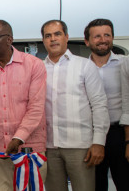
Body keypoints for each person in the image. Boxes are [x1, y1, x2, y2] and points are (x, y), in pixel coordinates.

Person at [0, 20, 47, 191]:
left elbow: (36, 107)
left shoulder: (34, 65)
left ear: (9, 40)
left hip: (29, 150)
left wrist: (18, 138)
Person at [41, 20, 109, 191]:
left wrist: (99, 142)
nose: (53, 39)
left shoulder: (84, 65)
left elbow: (99, 105)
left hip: (80, 146)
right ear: (43, 40)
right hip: (48, 146)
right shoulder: (38, 69)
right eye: (48, 35)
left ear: (66, 37)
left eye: (57, 34)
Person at [83, 18, 129, 191]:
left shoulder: (125, 64)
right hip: (91, 136)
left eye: (107, 35)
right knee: (96, 185)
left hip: (119, 134)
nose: (103, 40)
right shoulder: (81, 68)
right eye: (97, 36)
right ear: (87, 41)